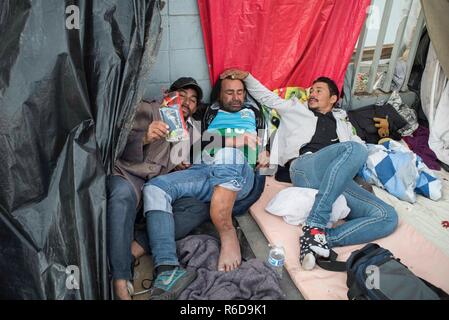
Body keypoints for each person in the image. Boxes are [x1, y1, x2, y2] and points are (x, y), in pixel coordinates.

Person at [220, 69, 398, 271]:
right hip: (306, 167)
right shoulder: (295, 108)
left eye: (318, 91)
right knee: (354, 148)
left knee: (388, 217)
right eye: (311, 90)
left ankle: (320, 238)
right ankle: (316, 221)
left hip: (338, 177)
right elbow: (267, 97)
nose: (311, 94)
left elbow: (359, 152)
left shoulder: (343, 124)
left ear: (333, 98)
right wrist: (247, 77)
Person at [141, 75, 270, 299]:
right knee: (154, 188)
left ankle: (227, 233)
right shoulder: (207, 114)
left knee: (228, 154)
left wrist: (267, 156)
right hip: (203, 171)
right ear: (219, 95)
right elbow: (195, 143)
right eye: (229, 92)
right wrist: (229, 140)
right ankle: (167, 269)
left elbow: (267, 153)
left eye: (240, 92)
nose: (236, 97)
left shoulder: (254, 116)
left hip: (238, 173)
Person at [107, 77, 205, 300]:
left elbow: (172, 162)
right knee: (120, 195)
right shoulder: (147, 109)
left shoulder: (192, 133)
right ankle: (120, 281)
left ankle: (133, 248)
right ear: (168, 95)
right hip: (128, 176)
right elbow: (112, 145)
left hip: (157, 187)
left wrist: (178, 166)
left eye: (192, 100)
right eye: (182, 96)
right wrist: (142, 138)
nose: (187, 102)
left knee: (196, 207)